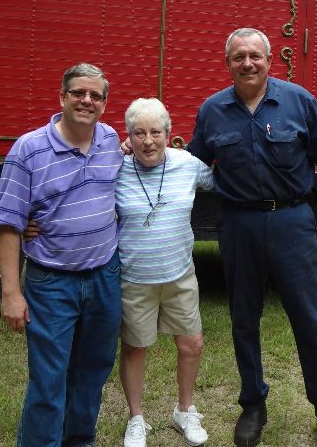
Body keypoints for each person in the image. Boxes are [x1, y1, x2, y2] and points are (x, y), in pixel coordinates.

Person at [186, 27, 317, 447]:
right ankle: (253, 405)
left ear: (269, 60)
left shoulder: (299, 101)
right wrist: (138, 155)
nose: (247, 63)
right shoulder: (213, 110)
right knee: (244, 318)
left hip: (291, 220)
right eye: (238, 56)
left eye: (254, 56)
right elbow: (191, 164)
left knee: (310, 318)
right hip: (239, 224)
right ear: (228, 63)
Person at [0, 63, 123, 447]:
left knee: (93, 372)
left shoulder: (111, 140)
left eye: (95, 95)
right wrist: (11, 293)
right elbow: (8, 224)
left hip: (104, 276)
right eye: (78, 93)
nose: (86, 101)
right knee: (49, 379)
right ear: (62, 97)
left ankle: (79, 440)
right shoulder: (28, 149)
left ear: (104, 104)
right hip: (52, 281)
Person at [116, 98, 213, 447]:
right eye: (139, 133)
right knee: (135, 348)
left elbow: (226, 180)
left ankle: (184, 411)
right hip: (134, 278)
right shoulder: (115, 168)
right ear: (128, 137)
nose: (148, 141)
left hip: (179, 275)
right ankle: (136, 419)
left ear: (169, 135)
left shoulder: (187, 164)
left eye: (155, 132)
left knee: (192, 344)